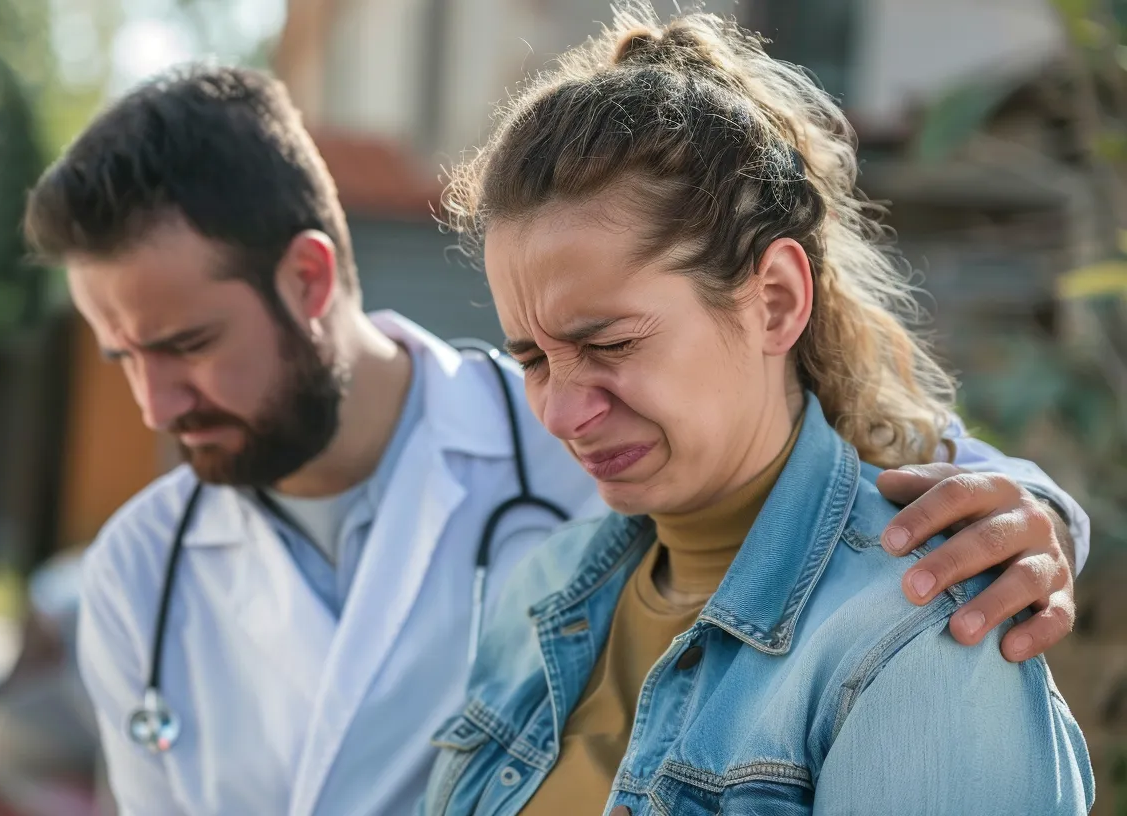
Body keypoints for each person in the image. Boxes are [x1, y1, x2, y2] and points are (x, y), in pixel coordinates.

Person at [21, 65, 1090, 816]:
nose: (155, 407)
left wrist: (1031, 512)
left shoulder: (906, 628)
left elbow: (892, 469)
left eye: (188, 343)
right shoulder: (554, 589)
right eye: (532, 358)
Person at [419, 8, 1094, 815]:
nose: (563, 410)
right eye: (530, 357)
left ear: (774, 302)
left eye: (611, 346)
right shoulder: (537, 594)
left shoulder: (919, 626)